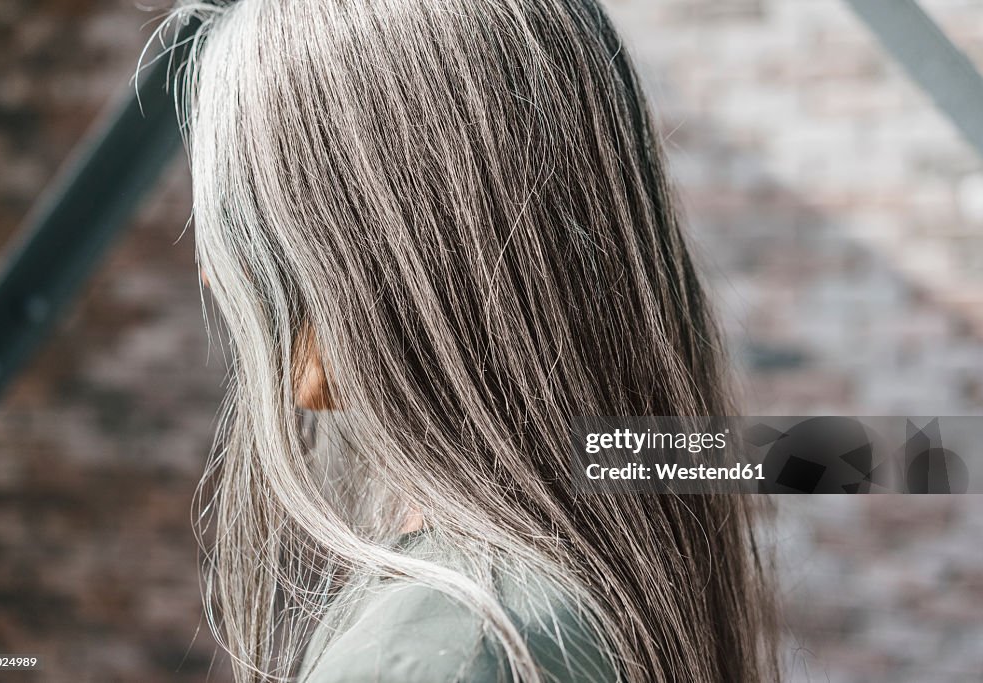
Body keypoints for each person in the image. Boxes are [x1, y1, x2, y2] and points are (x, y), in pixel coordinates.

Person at [158, 0, 780, 680]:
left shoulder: (445, 648)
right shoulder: (567, 610)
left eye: (251, 225)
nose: (213, 274)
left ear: (369, 266)